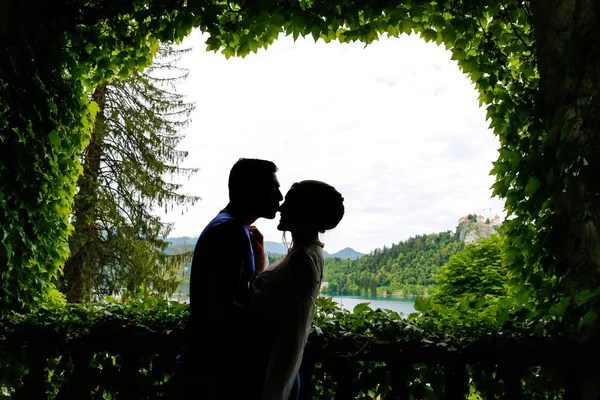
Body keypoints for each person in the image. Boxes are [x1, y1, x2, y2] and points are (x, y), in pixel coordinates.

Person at [172, 158, 283, 399]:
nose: (280, 197)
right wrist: (271, 330)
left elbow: (233, 291)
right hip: (209, 372)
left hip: (207, 366)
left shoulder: (234, 227)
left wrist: (259, 259)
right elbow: (220, 307)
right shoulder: (229, 231)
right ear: (253, 189)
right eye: (274, 189)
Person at [249, 180, 345, 400]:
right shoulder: (303, 253)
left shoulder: (302, 259)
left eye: (290, 203)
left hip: (271, 378)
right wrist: (262, 257)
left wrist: (274, 392)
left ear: (306, 212)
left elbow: (292, 336)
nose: (281, 207)